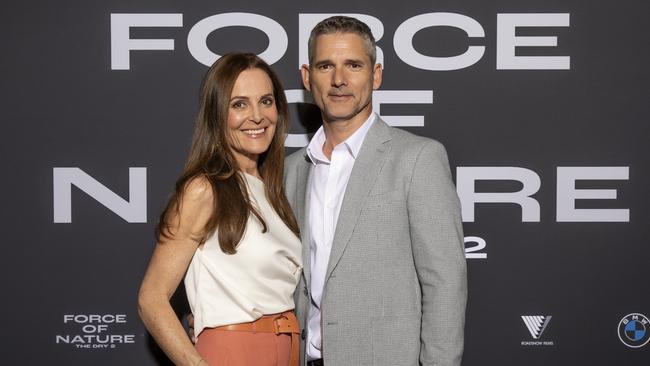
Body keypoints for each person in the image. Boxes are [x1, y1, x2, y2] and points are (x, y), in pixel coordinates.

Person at [283, 16, 467, 366]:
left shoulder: (418, 159)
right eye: (326, 66)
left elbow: (445, 283)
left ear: (376, 74)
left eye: (353, 65)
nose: (339, 80)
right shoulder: (292, 170)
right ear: (308, 78)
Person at [138, 53, 302, 366]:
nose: (257, 116)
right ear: (217, 114)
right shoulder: (204, 189)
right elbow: (151, 299)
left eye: (266, 101)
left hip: (289, 349)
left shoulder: (272, 190)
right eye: (239, 104)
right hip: (235, 350)